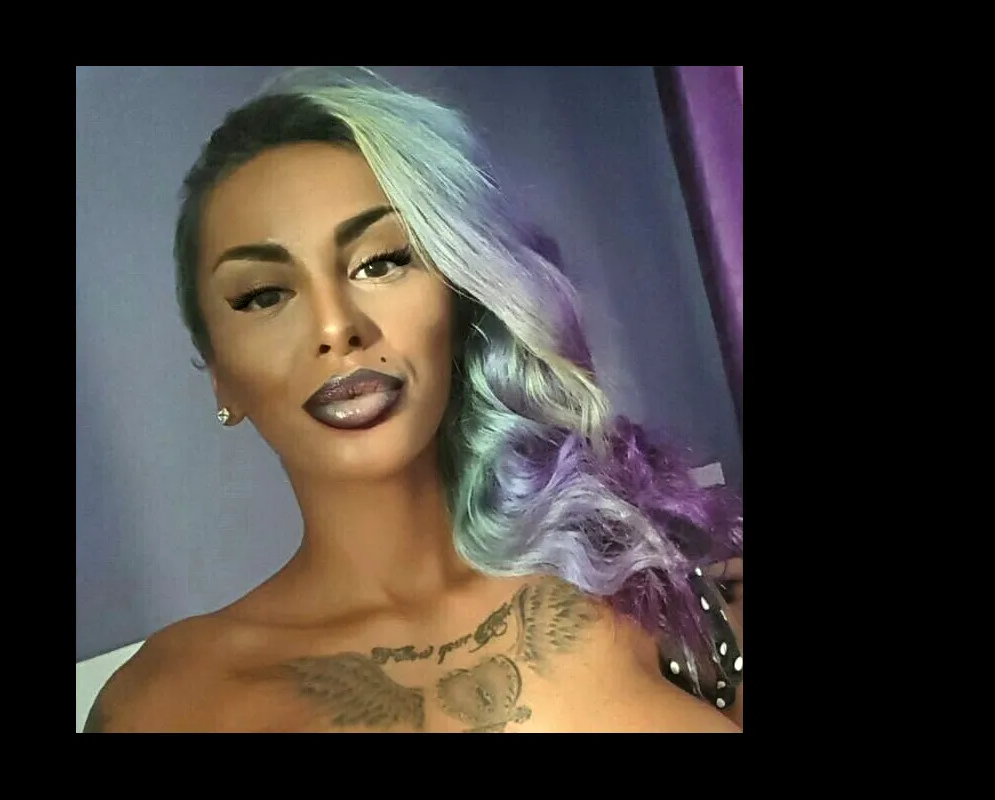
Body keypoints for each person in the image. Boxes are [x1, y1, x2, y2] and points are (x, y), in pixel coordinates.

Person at [84, 68, 743, 733]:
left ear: (461, 293)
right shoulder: (168, 700)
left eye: (381, 262)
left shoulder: (645, 572)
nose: (335, 327)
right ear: (221, 376)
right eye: (264, 295)